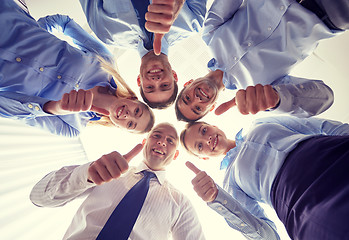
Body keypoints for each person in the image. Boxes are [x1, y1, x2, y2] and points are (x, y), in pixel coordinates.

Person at [175, 0, 349, 121]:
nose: (196, 99)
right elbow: (325, 97)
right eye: (198, 108)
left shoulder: (210, 34)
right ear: (211, 108)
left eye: (187, 98)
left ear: (188, 83)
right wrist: (278, 100)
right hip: (330, 13)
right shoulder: (260, 94)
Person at [0, 0, 154, 137]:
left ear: (120, 128)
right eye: (137, 112)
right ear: (134, 99)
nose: (129, 115)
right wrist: (32, 33)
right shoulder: (106, 62)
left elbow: (6, 109)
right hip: (7, 16)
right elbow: (64, 23)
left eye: (130, 124)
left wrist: (52, 107)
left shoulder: (71, 128)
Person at [181, 117, 349, 239]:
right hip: (302, 203)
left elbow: (320, 126)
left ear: (213, 125)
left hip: (331, 153)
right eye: (200, 146)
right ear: (203, 157)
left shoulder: (260, 123)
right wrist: (216, 199)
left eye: (203, 130)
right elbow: (268, 236)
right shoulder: (229, 184)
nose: (207, 138)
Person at [30, 123, 206, 240]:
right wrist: (86, 174)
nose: (161, 142)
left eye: (170, 141)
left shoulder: (181, 204)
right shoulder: (105, 170)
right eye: (156, 136)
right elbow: (38, 197)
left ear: (175, 154)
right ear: (145, 142)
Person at [78, 0, 207, 109]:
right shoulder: (193, 23)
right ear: (174, 75)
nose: (157, 80)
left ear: (139, 80)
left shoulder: (107, 34)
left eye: (150, 87)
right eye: (165, 85)